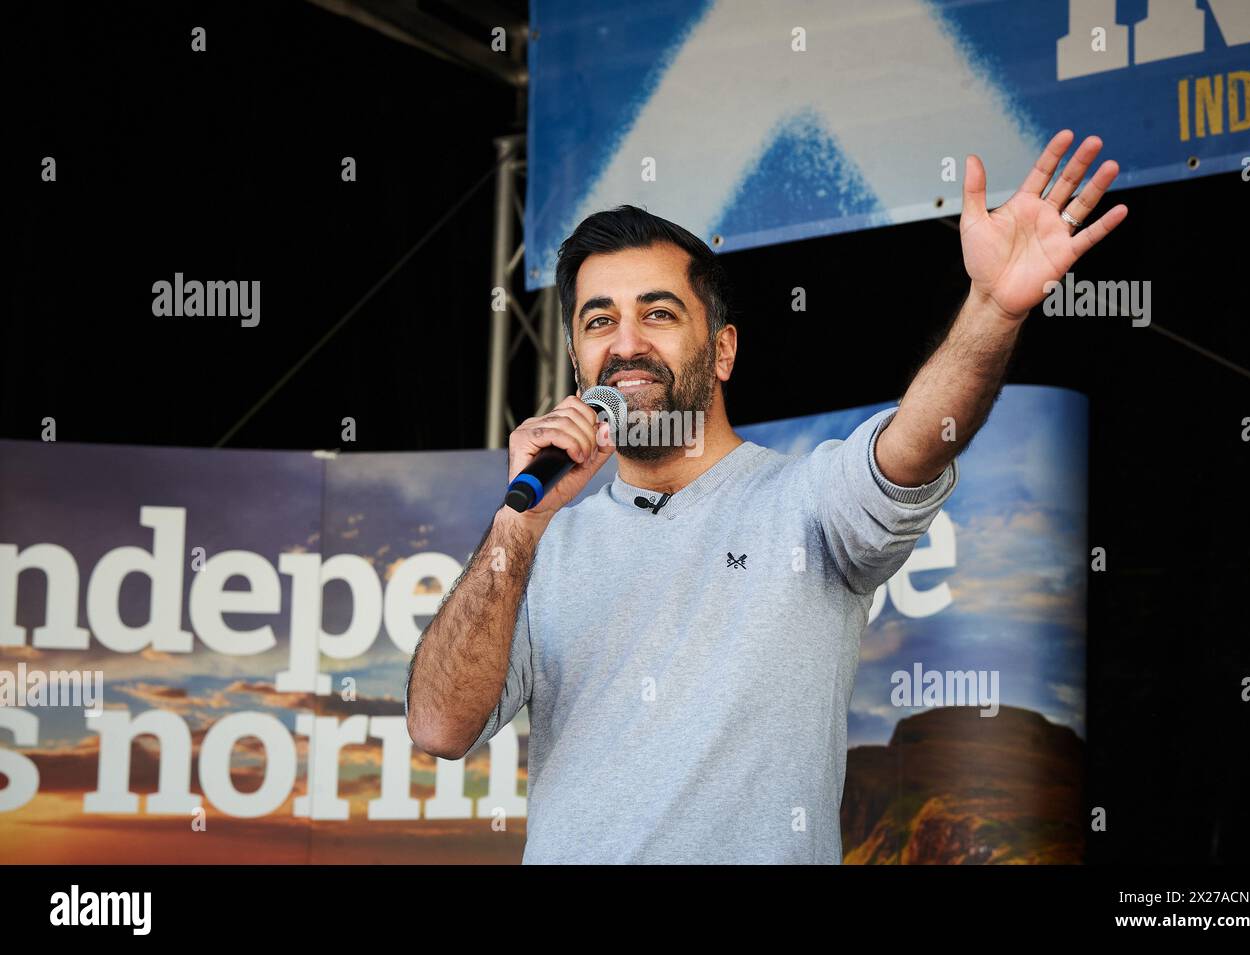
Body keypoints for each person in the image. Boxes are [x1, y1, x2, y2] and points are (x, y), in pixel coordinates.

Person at [405, 130, 1126, 863]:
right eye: (599, 321)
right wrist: (515, 527)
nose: (625, 343)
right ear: (577, 357)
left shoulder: (806, 500)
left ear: (722, 350)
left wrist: (992, 311)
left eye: (658, 313)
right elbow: (437, 727)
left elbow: (915, 444)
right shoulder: (537, 542)